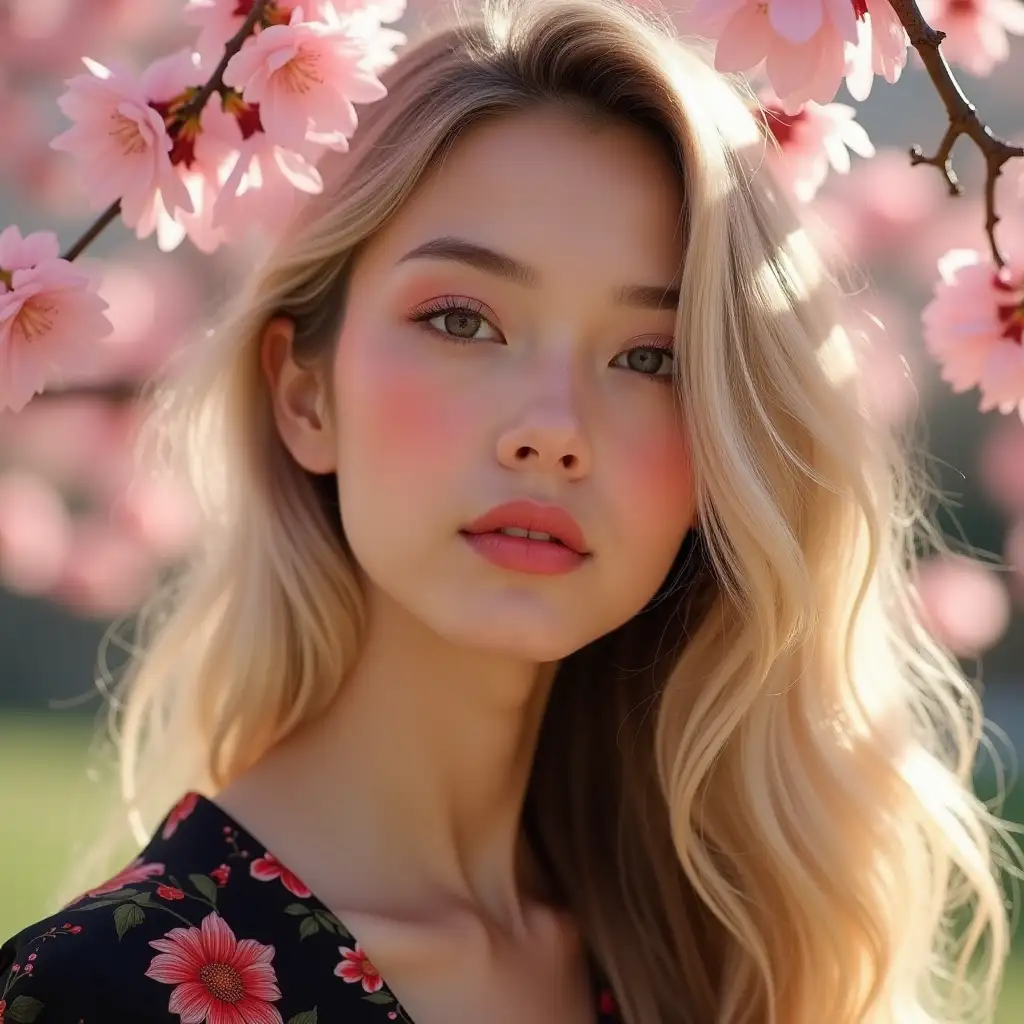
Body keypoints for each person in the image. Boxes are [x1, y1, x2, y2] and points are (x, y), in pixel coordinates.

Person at [0, 0, 1016, 1021]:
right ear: (306, 394)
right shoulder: (102, 992)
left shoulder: (727, 963)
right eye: (460, 319)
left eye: (649, 358)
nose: (553, 429)